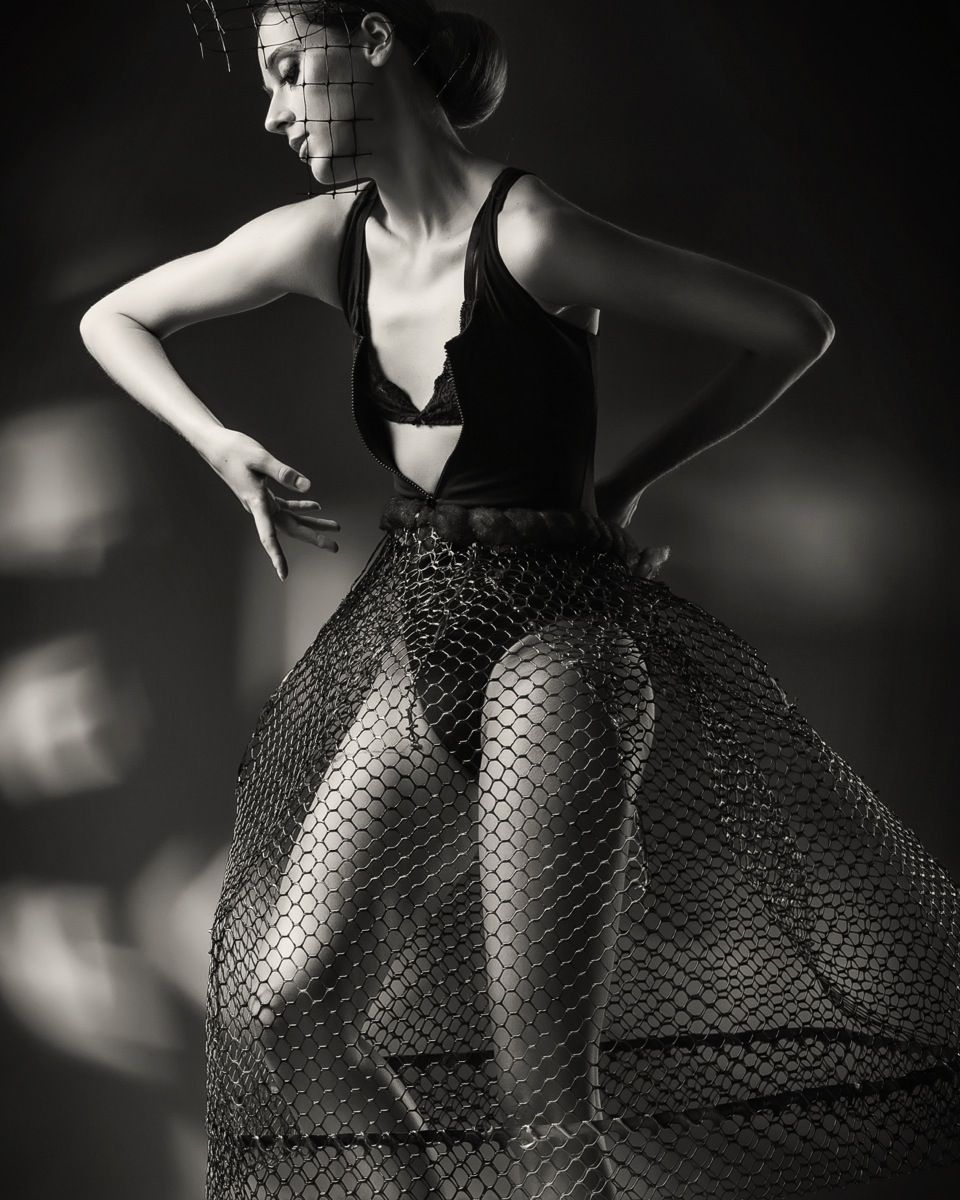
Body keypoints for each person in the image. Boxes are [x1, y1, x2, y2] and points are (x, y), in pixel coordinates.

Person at [80, 4, 960, 1199]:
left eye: (289, 70)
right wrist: (218, 442)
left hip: (559, 654)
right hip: (425, 635)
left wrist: (626, 483)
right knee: (290, 1009)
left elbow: (792, 330)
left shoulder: (532, 234)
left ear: (373, 39)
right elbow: (114, 317)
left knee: (544, 1110)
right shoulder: (328, 240)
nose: (276, 111)